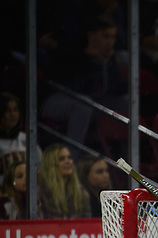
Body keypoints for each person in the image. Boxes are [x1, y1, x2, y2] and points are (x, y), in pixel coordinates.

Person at [41, 15, 128, 146]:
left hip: (93, 100)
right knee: (84, 104)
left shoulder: (108, 56)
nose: (110, 41)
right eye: (105, 36)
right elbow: (76, 87)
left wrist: (107, 64)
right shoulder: (72, 49)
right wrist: (90, 60)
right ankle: (73, 156)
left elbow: (120, 89)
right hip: (57, 99)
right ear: (92, 35)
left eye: (113, 37)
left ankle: (125, 158)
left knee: (126, 101)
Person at [0, 92, 42, 192]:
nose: (13, 114)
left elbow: (40, 164)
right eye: (8, 110)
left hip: (26, 192)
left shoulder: (26, 138)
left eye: (15, 110)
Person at [38, 143, 91, 219]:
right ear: (51, 164)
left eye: (69, 158)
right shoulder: (41, 192)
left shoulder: (82, 192)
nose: (68, 162)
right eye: (61, 159)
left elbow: (87, 222)